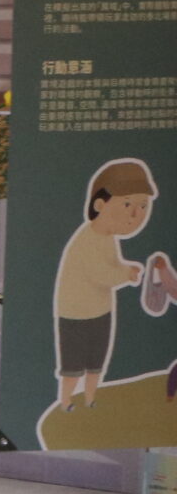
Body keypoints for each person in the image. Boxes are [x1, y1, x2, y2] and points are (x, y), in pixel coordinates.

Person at [54, 159, 168, 414]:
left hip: (100, 312)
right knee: (73, 365)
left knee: (96, 362)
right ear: (99, 205)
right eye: (127, 204)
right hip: (76, 316)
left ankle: (90, 399)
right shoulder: (87, 239)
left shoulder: (107, 239)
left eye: (142, 206)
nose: (136, 214)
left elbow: (111, 266)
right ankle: (66, 401)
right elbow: (100, 274)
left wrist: (127, 270)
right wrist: (125, 273)